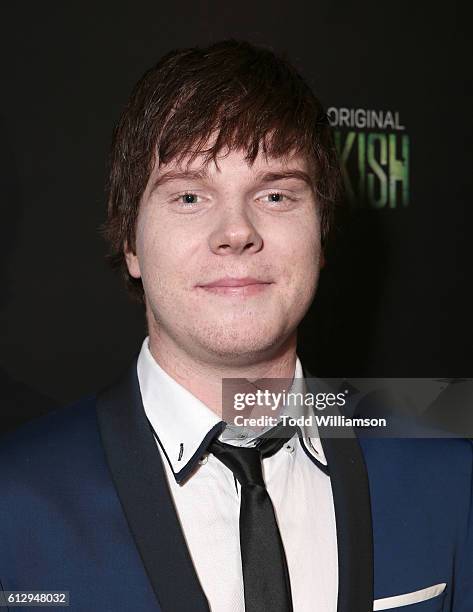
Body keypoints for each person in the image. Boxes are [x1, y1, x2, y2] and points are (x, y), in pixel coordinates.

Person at [0, 40, 471, 612]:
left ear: (321, 235)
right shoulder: (14, 502)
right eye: (191, 196)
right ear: (130, 242)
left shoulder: (446, 469)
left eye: (275, 194)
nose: (236, 230)